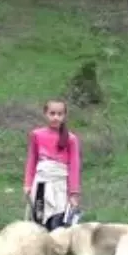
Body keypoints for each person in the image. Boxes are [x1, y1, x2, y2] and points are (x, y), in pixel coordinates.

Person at [24, 98, 81, 232]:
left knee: (58, 221)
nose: (56, 117)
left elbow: (74, 166)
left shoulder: (71, 139)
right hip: (41, 183)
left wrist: (73, 193)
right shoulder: (36, 135)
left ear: (64, 116)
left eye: (60, 114)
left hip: (60, 185)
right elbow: (32, 159)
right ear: (46, 114)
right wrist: (28, 183)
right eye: (52, 113)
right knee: (39, 218)